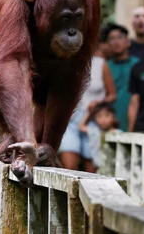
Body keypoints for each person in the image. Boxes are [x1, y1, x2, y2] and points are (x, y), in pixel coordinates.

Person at [59, 44, 117, 172]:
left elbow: (112, 95)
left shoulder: (101, 64)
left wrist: (99, 103)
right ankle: (72, 192)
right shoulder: (63, 62)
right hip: (71, 121)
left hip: (95, 121)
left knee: (92, 168)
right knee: (69, 166)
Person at [103, 23, 138, 132]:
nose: (116, 42)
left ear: (128, 42)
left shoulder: (138, 65)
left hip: (136, 120)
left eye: (120, 37)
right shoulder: (105, 67)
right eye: (112, 39)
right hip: (110, 123)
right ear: (108, 44)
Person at [79, 102, 120, 169]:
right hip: (99, 168)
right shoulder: (95, 132)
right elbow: (81, 126)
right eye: (99, 116)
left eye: (107, 115)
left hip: (114, 168)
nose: (103, 120)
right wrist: (89, 113)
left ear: (113, 117)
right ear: (95, 118)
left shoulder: (118, 134)